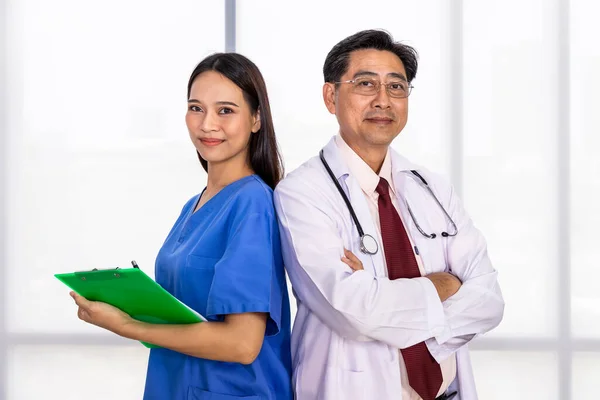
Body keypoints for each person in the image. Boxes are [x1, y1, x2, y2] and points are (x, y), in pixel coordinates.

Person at [273, 30, 505, 400]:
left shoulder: (432, 187)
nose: (383, 100)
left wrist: (387, 297)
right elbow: (354, 313)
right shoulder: (302, 193)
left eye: (397, 87)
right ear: (331, 97)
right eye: (366, 84)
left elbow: (490, 301)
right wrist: (446, 284)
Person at [70, 53, 293, 400]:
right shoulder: (194, 205)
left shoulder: (252, 203)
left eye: (226, 110)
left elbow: (242, 344)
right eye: (196, 108)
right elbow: (183, 314)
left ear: (256, 119)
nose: (207, 125)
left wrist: (128, 326)